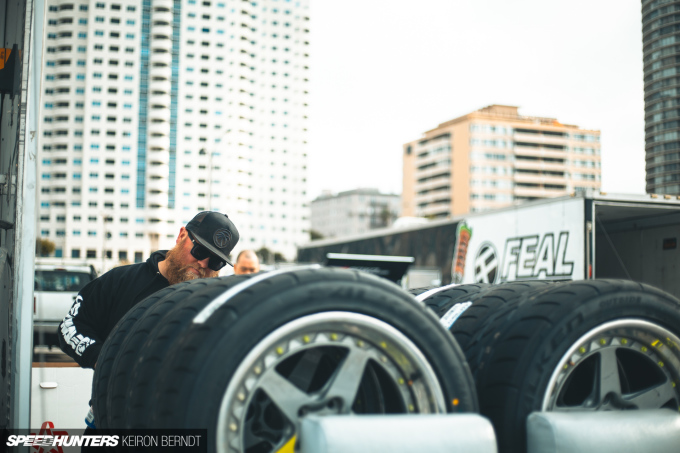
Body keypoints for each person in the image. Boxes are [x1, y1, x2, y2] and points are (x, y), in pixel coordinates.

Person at [57, 211, 239, 430]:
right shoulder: (120, 281)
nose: (203, 262)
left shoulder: (217, 306)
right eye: (199, 250)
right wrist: (104, 360)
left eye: (217, 261)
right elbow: (70, 326)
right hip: (113, 423)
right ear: (182, 235)